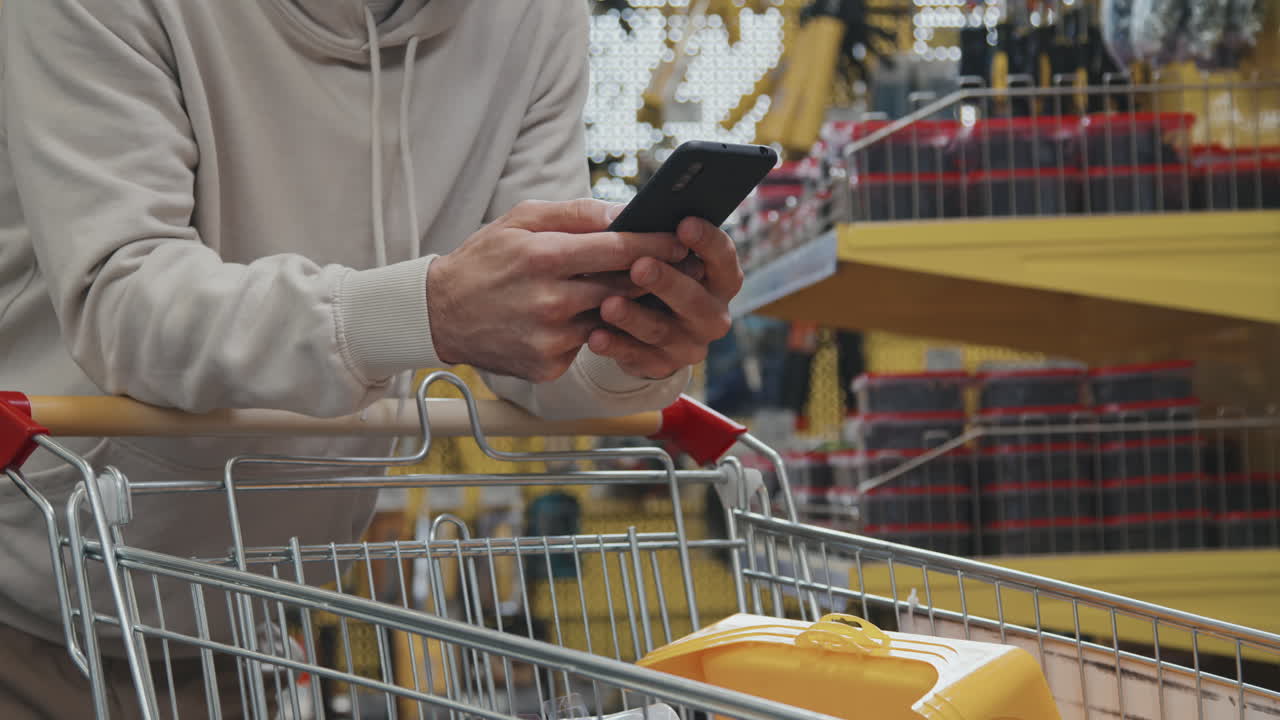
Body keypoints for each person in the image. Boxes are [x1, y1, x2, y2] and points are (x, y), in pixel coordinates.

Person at [0, 1, 743, 716]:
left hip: (249, 616)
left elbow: (536, 358)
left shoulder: (536, 15)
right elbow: (124, 300)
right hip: (32, 593)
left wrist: (628, 345)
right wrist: (427, 310)